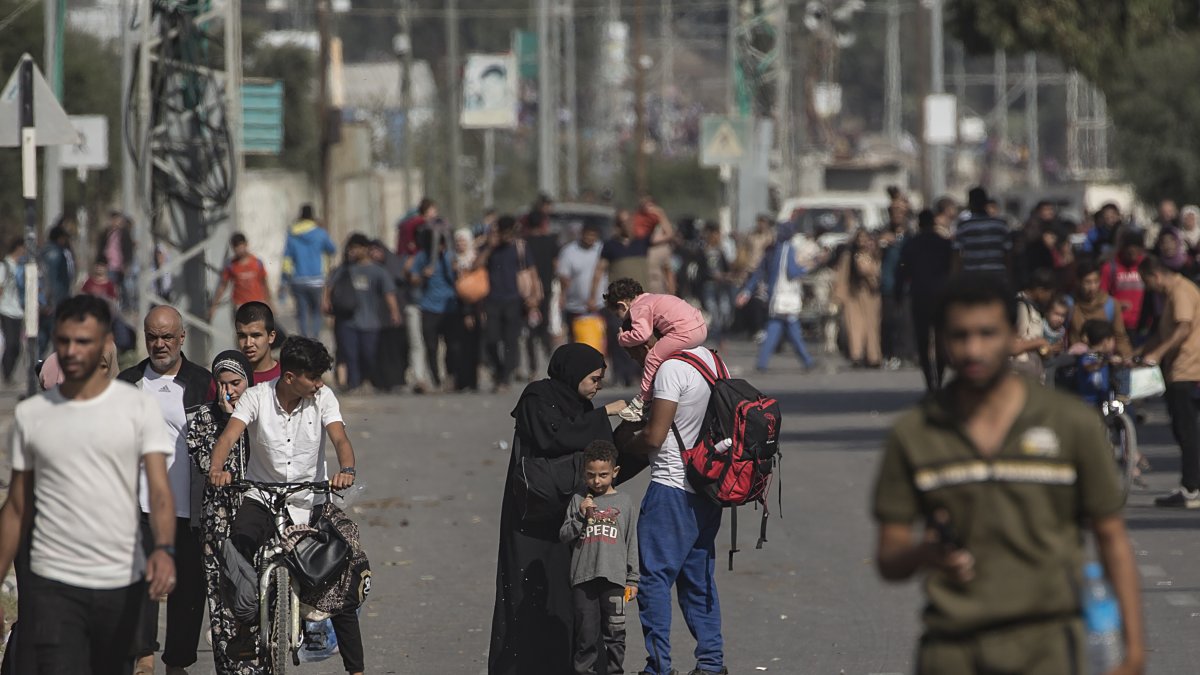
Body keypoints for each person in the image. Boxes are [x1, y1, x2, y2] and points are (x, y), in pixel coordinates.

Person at [871, 274, 1145, 675]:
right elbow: (889, 557)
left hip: (1047, 650)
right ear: (943, 342)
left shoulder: (1069, 424)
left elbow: (1111, 538)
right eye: (960, 336)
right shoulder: (914, 435)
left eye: (987, 333)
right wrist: (925, 554)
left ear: (1013, 336)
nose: (973, 349)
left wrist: (1134, 653)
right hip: (952, 651)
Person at [0, 295, 178, 674]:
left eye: (84, 341)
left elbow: (159, 491)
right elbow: (16, 507)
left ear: (103, 346)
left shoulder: (135, 409)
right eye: (64, 341)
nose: (73, 351)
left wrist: (162, 548)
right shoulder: (34, 417)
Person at [208, 337, 363, 675]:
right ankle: (247, 628)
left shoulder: (322, 397)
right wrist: (217, 469)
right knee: (236, 553)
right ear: (291, 377)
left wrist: (345, 471)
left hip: (310, 500)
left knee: (341, 579)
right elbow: (229, 437)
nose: (320, 383)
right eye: (314, 377)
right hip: (261, 497)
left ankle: (357, 670)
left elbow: (339, 438)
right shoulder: (256, 398)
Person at [489, 343, 626, 675]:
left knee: (569, 596)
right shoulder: (537, 398)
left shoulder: (578, 404)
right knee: (529, 595)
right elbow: (556, 438)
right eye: (594, 378)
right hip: (530, 521)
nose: (598, 385)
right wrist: (604, 414)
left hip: (566, 517)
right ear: (574, 373)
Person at [620, 335, 727, 675]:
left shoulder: (670, 369)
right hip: (708, 489)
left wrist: (622, 442)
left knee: (652, 579)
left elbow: (655, 436)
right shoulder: (712, 360)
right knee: (699, 579)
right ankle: (711, 664)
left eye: (635, 348)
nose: (637, 358)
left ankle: (659, 667)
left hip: (671, 487)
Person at [119, 306, 214, 675]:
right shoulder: (127, 383)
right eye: (152, 337)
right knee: (139, 582)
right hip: (137, 505)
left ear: (181, 338)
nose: (159, 345)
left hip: (188, 506)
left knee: (188, 589)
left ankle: (177, 662)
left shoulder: (202, 383)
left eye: (166, 337)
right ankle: (143, 656)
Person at [184, 350, 263, 674]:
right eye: (223, 383)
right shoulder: (202, 418)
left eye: (236, 383)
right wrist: (231, 420)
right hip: (218, 522)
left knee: (259, 595)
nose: (229, 390)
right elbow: (204, 461)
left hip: (257, 516)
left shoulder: (262, 413)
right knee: (223, 602)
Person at [559, 441, 639, 675]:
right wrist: (581, 516)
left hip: (614, 581)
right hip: (584, 580)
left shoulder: (624, 502)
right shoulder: (578, 501)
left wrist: (633, 579)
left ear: (615, 472)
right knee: (586, 637)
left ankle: (615, 671)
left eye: (603, 475)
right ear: (584, 473)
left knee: (615, 635)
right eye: (591, 475)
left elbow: (630, 540)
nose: (596, 481)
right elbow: (564, 536)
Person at [1136, 255, 1200, 508]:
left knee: (1187, 431)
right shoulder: (1173, 294)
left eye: (1146, 281)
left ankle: (1192, 487)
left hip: (1187, 369)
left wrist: (1157, 354)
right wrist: (1139, 353)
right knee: (1183, 429)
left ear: (1156, 275)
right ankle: (1190, 483)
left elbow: (1183, 328)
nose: (1148, 287)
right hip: (1180, 369)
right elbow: (1162, 333)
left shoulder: (1180, 291)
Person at [607, 278, 708, 422]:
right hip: (700, 327)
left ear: (622, 305)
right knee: (661, 355)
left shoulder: (638, 307)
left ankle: (643, 400)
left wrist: (622, 338)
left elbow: (642, 335)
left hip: (685, 331)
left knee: (653, 357)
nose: (620, 319)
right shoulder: (651, 298)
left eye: (618, 315)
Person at [325, 233, 402, 392]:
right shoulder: (343, 269)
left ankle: (369, 380)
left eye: (356, 248)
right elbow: (329, 286)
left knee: (369, 353)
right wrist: (325, 303)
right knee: (350, 354)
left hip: (371, 322)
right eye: (351, 248)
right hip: (347, 321)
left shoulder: (377, 271)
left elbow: (389, 293)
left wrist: (394, 312)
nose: (352, 252)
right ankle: (354, 384)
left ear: (365, 249)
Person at [737, 221, 816, 373]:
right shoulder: (788, 249)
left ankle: (763, 362)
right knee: (792, 328)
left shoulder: (771, 250)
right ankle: (807, 361)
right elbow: (792, 272)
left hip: (774, 296)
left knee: (775, 327)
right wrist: (807, 267)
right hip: (787, 296)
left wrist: (747, 291)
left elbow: (759, 272)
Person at [475, 216, 534, 393]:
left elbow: (531, 271)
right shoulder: (490, 248)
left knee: (511, 341)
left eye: (510, 232)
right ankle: (500, 370)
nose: (507, 236)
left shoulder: (520, 247)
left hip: (514, 300)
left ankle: (505, 378)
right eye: (504, 232)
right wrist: (490, 247)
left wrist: (533, 295)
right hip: (492, 300)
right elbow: (475, 265)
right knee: (491, 340)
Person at [896, 209, 954, 390]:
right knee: (940, 339)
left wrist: (898, 295)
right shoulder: (944, 244)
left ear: (919, 224)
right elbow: (953, 269)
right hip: (942, 296)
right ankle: (940, 377)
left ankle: (930, 382)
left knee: (922, 340)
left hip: (919, 295)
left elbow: (902, 271)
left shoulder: (911, 244)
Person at [410, 226, 460, 392]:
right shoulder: (422, 257)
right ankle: (436, 379)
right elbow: (413, 278)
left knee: (452, 345)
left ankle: (451, 376)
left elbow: (461, 278)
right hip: (429, 307)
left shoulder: (450, 257)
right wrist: (424, 275)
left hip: (450, 307)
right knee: (431, 346)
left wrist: (456, 271)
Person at [283, 204, 337, 339]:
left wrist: (285, 279)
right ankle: (315, 340)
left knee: (302, 313)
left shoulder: (292, 233)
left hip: (298, 280)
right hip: (317, 280)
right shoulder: (320, 233)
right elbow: (332, 250)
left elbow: (287, 258)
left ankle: (304, 339)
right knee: (316, 313)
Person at [834, 228, 883, 368]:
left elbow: (876, 273)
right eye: (860, 238)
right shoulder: (849, 256)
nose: (862, 241)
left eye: (865, 238)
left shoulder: (874, 254)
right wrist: (839, 296)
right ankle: (857, 355)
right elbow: (841, 276)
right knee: (854, 326)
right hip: (853, 294)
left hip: (871, 295)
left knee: (872, 327)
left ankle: (873, 357)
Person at [1067, 260, 1132, 358]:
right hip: (1076, 362)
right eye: (1087, 282)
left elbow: (1120, 337)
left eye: (1096, 281)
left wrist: (1125, 357)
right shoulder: (1069, 304)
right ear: (1078, 282)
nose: (1092, 287)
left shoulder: (1111, 304)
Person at [524, 196, 559, 375]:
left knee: (530, 329)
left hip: (527, 291)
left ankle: (532, 367)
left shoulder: (524, 242)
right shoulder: (551, 241)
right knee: (545, 325)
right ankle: (549, 362)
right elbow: (555, 264)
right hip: (545, 288)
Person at [559, 222, 606, 342]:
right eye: (588, 235)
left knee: (599, 341)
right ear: (581, 234)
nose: (590, 238)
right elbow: (564, 278)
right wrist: (562, 296)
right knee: (575, 340)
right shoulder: (569, 251)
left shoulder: (602, 250)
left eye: (593, 235)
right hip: (575, 306)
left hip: (599, 305)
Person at [952, 186, 1011, 276]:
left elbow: (957, 255)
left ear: (970, 203)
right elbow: (1008, 253)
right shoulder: (1000, 225)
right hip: (996, 276)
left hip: (973, 276)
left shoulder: (964, 226)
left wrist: (954, 278)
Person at [1101, 232, 1148, 343]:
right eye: (1129, 249)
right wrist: (1115, 304)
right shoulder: (1109, 268)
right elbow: (1101, 295)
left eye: (1136, 248)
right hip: (1118, 324)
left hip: (1143, 325)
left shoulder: (1147, 267)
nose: (1132, 252)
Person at [1011, 269, 1058, 382]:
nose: (1049, 297)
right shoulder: (1021, 307)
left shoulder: (1032, 307)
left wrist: (1047, 349)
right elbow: (1013, 345)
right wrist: (1040, 342)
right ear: (1040, 290)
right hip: (1021, 371)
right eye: (1048, 293)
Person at [210, 233, 271, 319]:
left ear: (246, 244)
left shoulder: (257, 263)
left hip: (257, 304)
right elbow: (223, 286)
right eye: (236, 247)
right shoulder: (231, 265)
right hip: (240, 306)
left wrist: (270, 303)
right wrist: (214, 306)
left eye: (240, 245)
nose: (239, 249)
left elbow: (264, 284)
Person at [453, 228, 483, 391]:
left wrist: (469, 312)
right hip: (455, 310)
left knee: (472, 347)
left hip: (472, 310)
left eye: (464, 241)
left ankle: (472, 381)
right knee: (458, 348)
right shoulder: (453, 260)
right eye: (458, 241)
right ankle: (461, 380)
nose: (460, 244)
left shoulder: (474, 260)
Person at [39, 223, 75, 356]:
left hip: (46, 302)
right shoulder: (56, 253)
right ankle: (52, 372)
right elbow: (53, 280)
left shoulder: (43, 251)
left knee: (43, 340)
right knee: (55, 338)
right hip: (55, 303)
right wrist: (51, 303)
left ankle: (37, 369)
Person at [1070, 320, 1120, 406]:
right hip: (1088, 402)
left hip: (1103, 400)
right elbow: (1088, 366)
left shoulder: (1105, 356)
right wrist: (1101, 363)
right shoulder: (1089, 355)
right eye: (1113, 339)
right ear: (1105, 342)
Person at [235, 301, 282, 384]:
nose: (248, 343)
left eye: (256, 335)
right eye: (242, 336)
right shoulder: (228, 379)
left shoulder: (287, 378)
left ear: (271, 336)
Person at [0, 238, 25, 384]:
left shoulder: (22, 266)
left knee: (18, 346)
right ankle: (7, 374)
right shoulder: (4, 266)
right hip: (6, 310)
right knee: (11, 344)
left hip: (19, 310)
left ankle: (8, 372)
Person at [99, 210, 135, 308]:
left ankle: (126, 305)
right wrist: (100, 262)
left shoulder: (124, 233)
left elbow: (128, 249)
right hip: (111, 264)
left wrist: (126, 263)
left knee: (124, 285)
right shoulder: (107, 232)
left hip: (121, 264)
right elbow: (101, 247)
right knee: (111, 284)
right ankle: (112, 304)